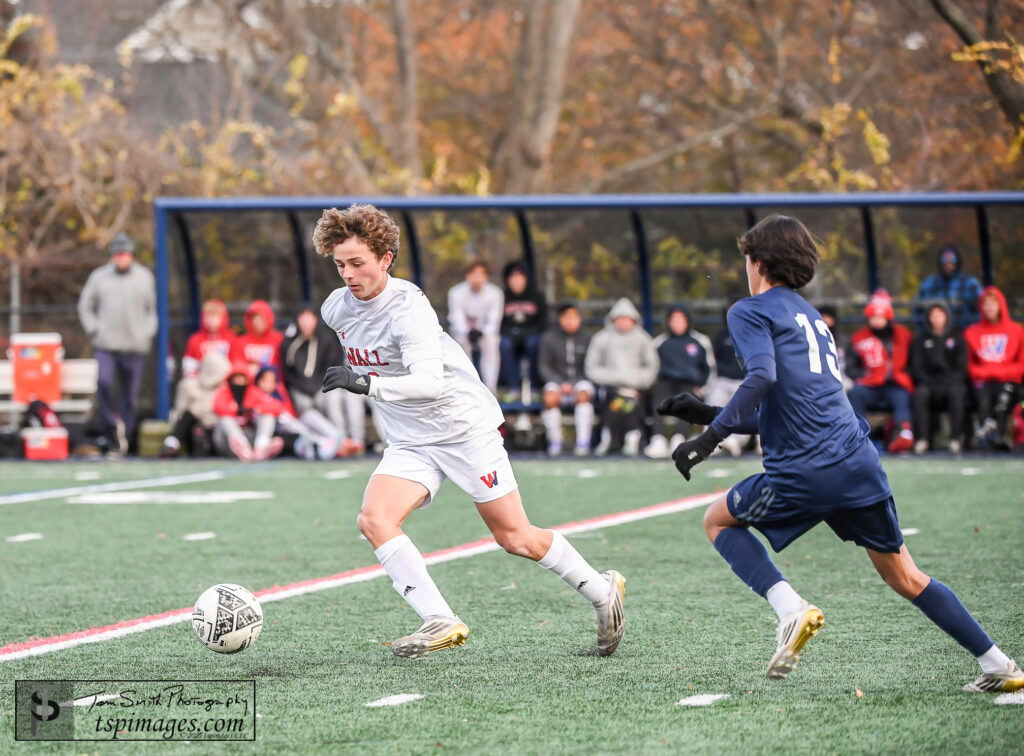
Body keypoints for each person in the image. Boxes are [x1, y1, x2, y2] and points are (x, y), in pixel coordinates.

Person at [656, 214, 1022, 693]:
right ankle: (999, 664)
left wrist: (709, 438)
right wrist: (707, 412)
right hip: (857, 460)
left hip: (807, 467)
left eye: (746, 259)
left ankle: (791, 610)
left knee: (716, 520)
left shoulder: (749, 309)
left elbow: (762, 377)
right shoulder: (811, 317)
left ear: (759, 262)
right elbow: (783, 404)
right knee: (906, 576)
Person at [314, 204, 625, 659]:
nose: (348, 274)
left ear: (385, 259)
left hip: (462, 428)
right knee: (374, 519)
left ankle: (602, 593)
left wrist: (364, 382)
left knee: (515, 537)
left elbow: (428, 383)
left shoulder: (409, 310)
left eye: (357, 262)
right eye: (340, 264)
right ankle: (439, 619)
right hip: (411, 439)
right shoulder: (335, 309)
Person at [77, 232, 157, 455]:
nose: (121, 258)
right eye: (117, 254)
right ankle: (109, 431)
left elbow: (152, 310)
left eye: (124, 254)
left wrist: (146, 333)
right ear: (112, 256)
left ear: (131, 255)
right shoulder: (99, 277)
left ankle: (127, 439)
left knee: (131, 396)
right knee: (103, 383)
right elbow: (85, 306)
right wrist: (94, 329)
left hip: (135, 347)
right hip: (107, 345)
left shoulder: (144, 277)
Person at [281, 305, 367, 456]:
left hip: (322, 386)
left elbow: (331, 367)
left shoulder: (326, 339)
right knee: (305, 407)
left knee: (333, 398)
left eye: (310, 318)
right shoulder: (289, 343)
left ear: (315, 319)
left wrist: (316, 387)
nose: (307, 322)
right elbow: (289, 374)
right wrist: (305, 389)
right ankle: (338, 440)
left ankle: (352, 441)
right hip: (300, 390)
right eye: (303, 318)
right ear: (298, 320)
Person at [584, 298, 660, 456]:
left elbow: (652, 366)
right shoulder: (601, 338)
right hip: (610, 387)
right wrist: (614, 379)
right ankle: (609, 438)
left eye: (627, 319)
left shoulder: (643, 338)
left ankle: (632, 439)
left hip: (637, 388)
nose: (623, 322)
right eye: (620, 318)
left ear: (633, 320)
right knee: (615, 400)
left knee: (632, 401)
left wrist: (636, 381)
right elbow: (591, 367)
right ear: (613, 320)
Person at [846, 291, 916, 453]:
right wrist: (862, 376)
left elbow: (914, 362)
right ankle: (857, 437)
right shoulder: (859, 337)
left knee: (902, 396)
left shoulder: (903, 334)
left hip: (895, 383)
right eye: (873, 317)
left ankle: (903, 434)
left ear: (888, 317)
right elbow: (851, 367)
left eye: (880, 317)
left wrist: (907, 375)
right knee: (857, 393)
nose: (876, 321)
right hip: (871, 384)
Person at [645, 304, 711, 459]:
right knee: (658, 397)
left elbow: (709, 369)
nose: (677, 323)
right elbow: (653, 368)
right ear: (668, 322)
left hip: (690, 384)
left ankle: (679, 439)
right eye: (674, 320)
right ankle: (658, 439)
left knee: (688, 401)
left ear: (687, 321)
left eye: (681, 320)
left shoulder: (701, 341)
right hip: (665, 383)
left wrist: (703, 387)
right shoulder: (659, 342)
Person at [963, 286, 1024, 450]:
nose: (989, 307)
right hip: (982, 381)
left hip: (1008, 381)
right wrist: (990, 373)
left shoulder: (1016, 330)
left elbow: (1021, 364)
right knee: (983, 400)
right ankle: (986, 438)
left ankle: (1000, 437)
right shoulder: (971, 332)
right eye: (986, 304)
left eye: (993, 303)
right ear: (981, 307)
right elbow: (968, 365)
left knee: (1002, 401)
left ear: (1001, 305)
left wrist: (998, 372)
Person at [537, 302, 596, 456]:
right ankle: (555, 442)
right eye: (566, 317)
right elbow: (544, 366)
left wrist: (575, 383)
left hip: (582, 380)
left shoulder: (589, 337)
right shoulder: (548, 338)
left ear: (579, 318)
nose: (570, 321)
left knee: (584, 395)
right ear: (560, 318)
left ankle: (583, 443)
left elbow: (592, 366)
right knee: (550, 398)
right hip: (557, 382)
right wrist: (559, 383)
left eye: (573, 317)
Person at [909, 303, 967, 454]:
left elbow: (962, 368)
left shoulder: (958, 339)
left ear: (946, 317)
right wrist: (929, 382)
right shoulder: (920, 341)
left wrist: (948, 382)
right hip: (928, 384)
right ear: (928, 318)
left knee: (957, 393)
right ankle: (922, 440)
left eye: (940, 315)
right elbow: (916, 368)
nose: (937, 319)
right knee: (920, 394)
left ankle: (955, 439)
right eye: (933, 315)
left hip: (951, 384)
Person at [704, 301, 756, 456]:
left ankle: (734, 443)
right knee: (713, 401)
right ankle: (710, 441)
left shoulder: (754, 333)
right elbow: (713, 362)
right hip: (723, 380)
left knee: (745, 408)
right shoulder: (721, 336)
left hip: (746, 381)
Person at [447, 260, 504, 394]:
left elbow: (494, 319)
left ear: (486, 277)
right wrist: (467, 331)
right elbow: (456, 318)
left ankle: (491, 388)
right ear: (468, 276)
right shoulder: (455, 292)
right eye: (474, 274)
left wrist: (482, 332)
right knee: (460, 341)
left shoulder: (495, 293)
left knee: (492, 341)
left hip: (485, 334)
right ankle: (466, 386)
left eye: (481, 274)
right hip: (463, 334)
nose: (477, 278)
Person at [162, 351, 231, 457]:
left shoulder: (225, 388)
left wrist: (202, 411)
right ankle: (172, 443)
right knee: (194, 422)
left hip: (217, 428)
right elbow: (180, 410)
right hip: (192, 426)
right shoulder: (189, 385)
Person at [498, 261, 547, 401]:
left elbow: (543, 323)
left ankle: (535, 387)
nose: (516, 281)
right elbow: (499, 323)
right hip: (510, 335)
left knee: (533, 343)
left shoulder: (537, 296)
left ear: (526, 278)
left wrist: (525, 333)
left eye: (520, 277)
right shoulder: (503, 296)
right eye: (512, 278)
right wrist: (513, 332)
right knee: (504, 344)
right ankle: (513, 388)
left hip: (531, 335)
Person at [914, 245, 982, 331]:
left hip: (964, 335)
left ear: (958, 261)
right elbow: (917, 311)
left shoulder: (969, 283)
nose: (948, 262)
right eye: (944, 259)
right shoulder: (929, 284)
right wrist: (926, 333)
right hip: (936, 337)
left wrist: (973, 332)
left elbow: (982, 309)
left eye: (952, 259)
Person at [181, 298, 235, 379]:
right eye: (207, 317)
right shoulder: (195, 340)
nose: (211, 320)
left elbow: (236, 365)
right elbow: (189, 368)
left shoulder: (231, 338)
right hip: (201, 384)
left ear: (223, 318)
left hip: (225, 384)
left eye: (214, 316)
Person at [230, 299, 284, 378]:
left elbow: (282, 367)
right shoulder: (239, 342)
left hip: (272, 384)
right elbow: (236, 368)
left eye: (262, 319)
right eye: (255, 319)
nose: (258, 323)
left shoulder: (279, 339)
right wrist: (246, 369)